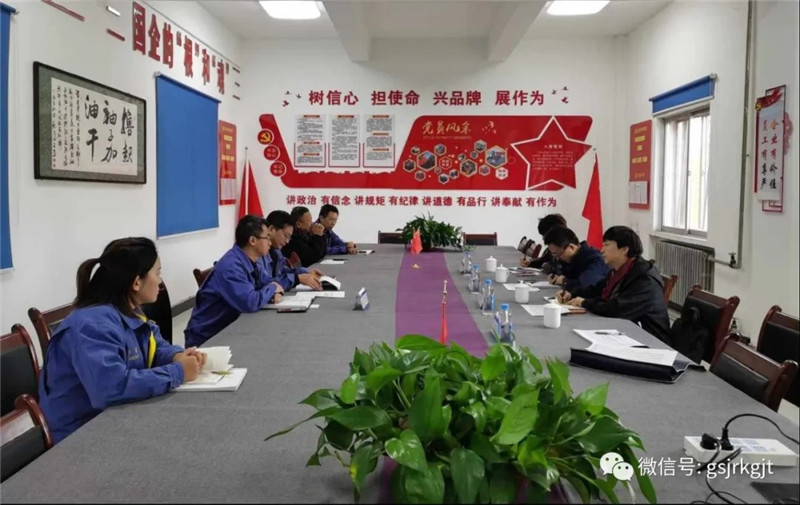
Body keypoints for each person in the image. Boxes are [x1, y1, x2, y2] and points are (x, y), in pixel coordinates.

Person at [39, 237, 205, 443]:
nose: (160, 281)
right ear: (136, 282)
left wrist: (176, 356)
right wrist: (178, 372)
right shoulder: (92, 325)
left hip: (117, 416)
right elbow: (111, 388)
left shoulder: (128, 310)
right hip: (81, 435)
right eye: (157, 273)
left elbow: (153, 344)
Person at [184, 215, 284, 348]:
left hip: (231, 327)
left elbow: (269, 281)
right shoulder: (231, 267)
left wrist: (273, 290)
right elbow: (250, 302)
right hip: (208, 340)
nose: (270, 243)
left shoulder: (251, 260)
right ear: (252, 240)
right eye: (267, 238)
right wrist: (272, 289)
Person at [558, 226, 670, 340]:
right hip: (623, 331)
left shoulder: (645, 278)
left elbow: (617, 309)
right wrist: (572, 294)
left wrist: (584, 302)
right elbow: (596, 290)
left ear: (624, 250)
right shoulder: (618, 271)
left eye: (606, 245)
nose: (602, 250)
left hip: (649, 339)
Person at [262, 210, 324, 291]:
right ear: (271, 229)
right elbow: (266, 283)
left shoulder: (276, 250)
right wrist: (297, 278)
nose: (287, 241)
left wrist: (305, 272)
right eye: (286, 236)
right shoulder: (259, 253)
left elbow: (282, 271)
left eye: (289, 237)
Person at [542, 226, 609, 293]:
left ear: (571, 247)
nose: (557, 258)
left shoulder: (594, 259)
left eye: (558, 254)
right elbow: (565, 274)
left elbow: (587, 285)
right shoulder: (571, 259)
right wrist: (556, 277)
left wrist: (564, 281)